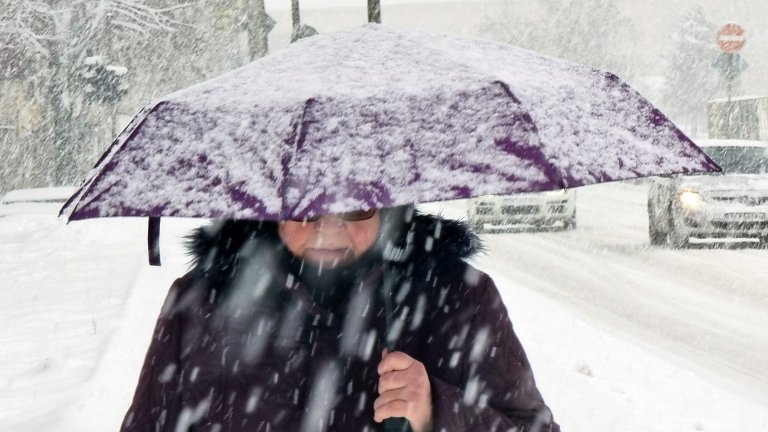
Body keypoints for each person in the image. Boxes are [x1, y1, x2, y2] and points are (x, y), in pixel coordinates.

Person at [120, 206, 560, 432]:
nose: (329, 230)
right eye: (306, 207)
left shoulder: (458, 299)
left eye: (355, 208)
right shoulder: (202, 303)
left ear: (388, 204)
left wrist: (436, 412)